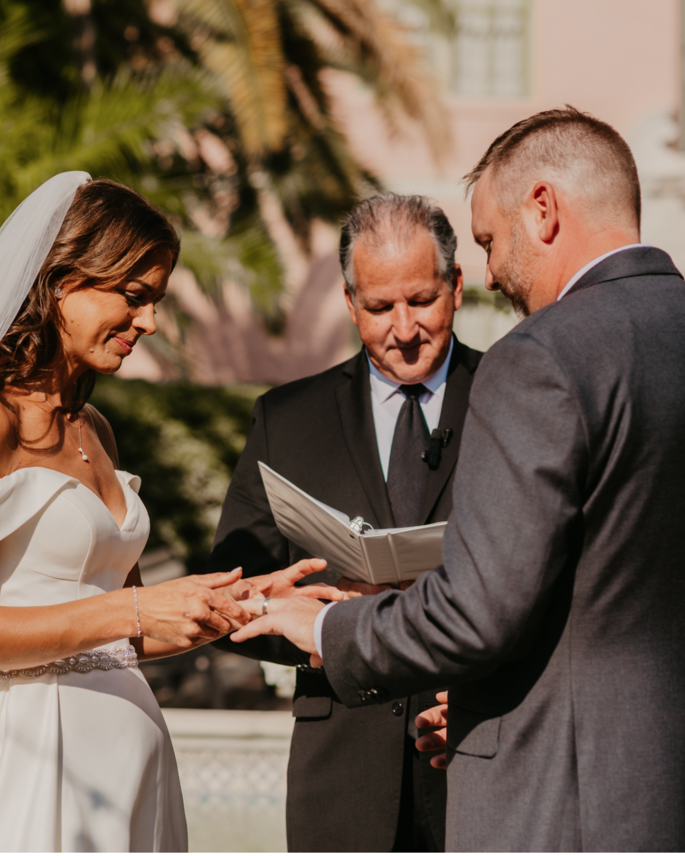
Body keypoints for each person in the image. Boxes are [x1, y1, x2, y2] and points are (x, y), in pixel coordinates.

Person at [233, 107, 685, 850]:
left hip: (568, 807)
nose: (490, 273)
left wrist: (326, 624)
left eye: (489, 240)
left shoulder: (539, 356)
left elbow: (478, 612)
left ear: (543, 210)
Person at [0, 174, 335, 851]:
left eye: (157, 301)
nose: (150, 323)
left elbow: (128, 633)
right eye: (134, 297)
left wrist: (249, 603)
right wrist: (134, 611)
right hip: (31, 760)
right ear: (60, 282)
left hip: (128, 759)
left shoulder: (96, 429)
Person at [202, 193, 480, 851]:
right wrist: (297, 614)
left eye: (422, 301)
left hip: (476, 759)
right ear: (351, 304)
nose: (404, 328)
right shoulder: (286, 420)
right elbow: (223, 592)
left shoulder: (517, 400)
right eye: (380, 308)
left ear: (457, 287)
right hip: (341, 777)